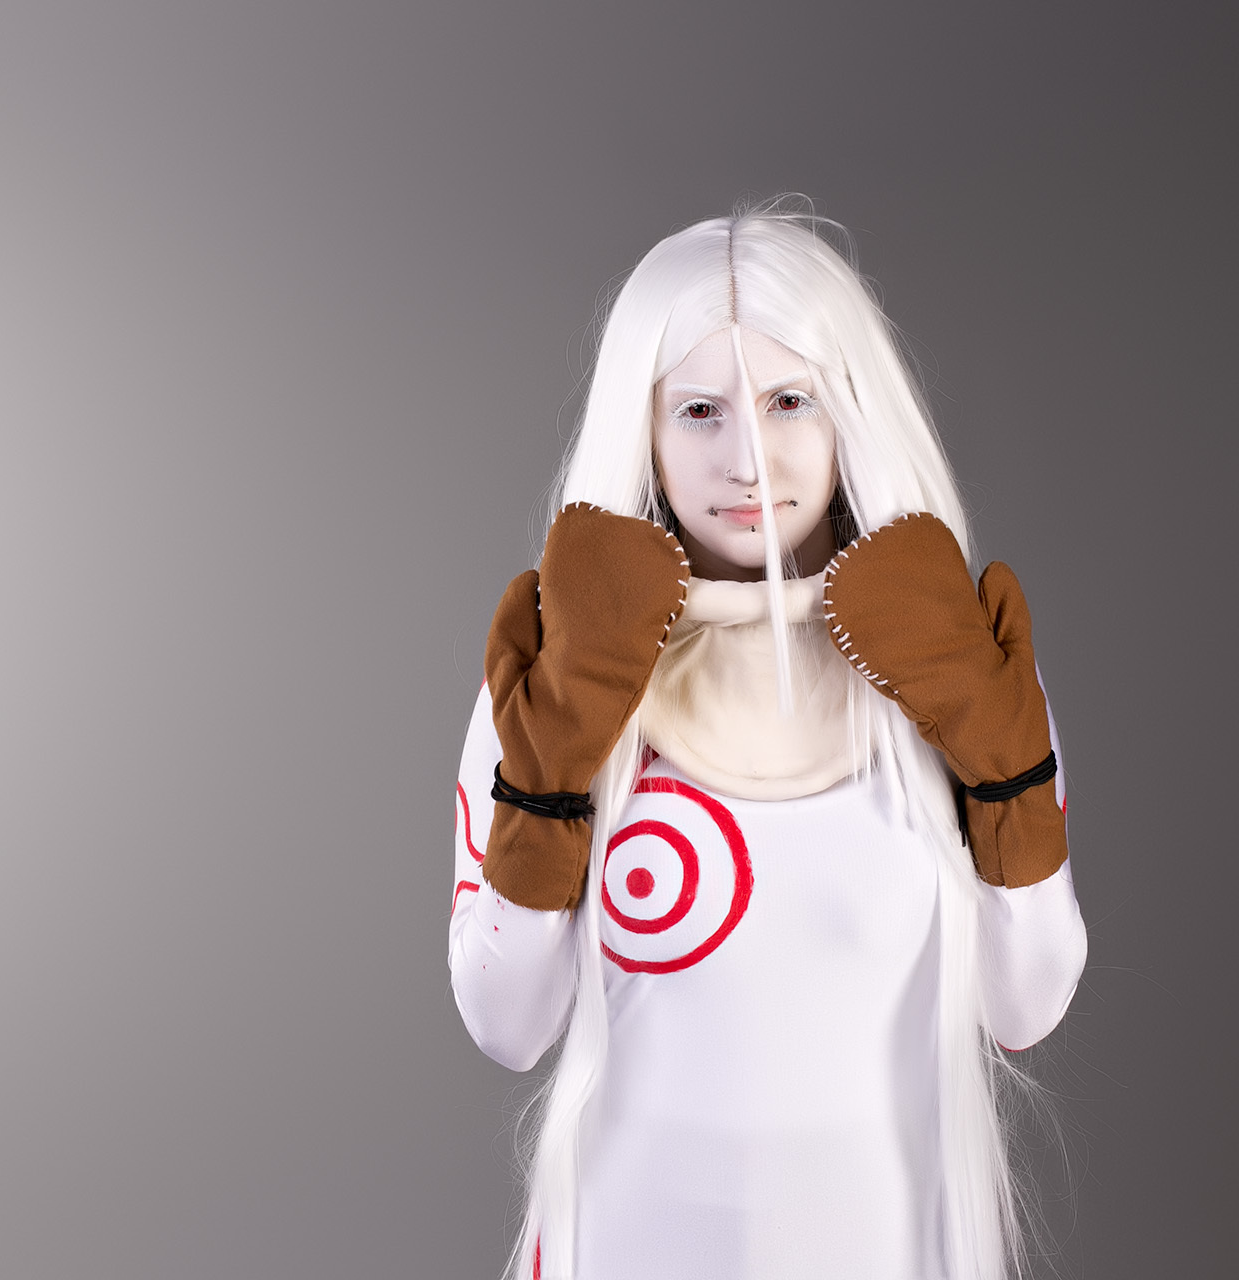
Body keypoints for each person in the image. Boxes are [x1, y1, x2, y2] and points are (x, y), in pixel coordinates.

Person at [448, 203, 1088, 1280]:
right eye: (699, 410)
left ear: (850, 409)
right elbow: (506, 1025)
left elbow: (1027, 1003)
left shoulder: (960, 666)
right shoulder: (559, 672)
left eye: (790, 399)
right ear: (644, 428)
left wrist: (1001, 765)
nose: (748, 457)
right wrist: (553, 768)